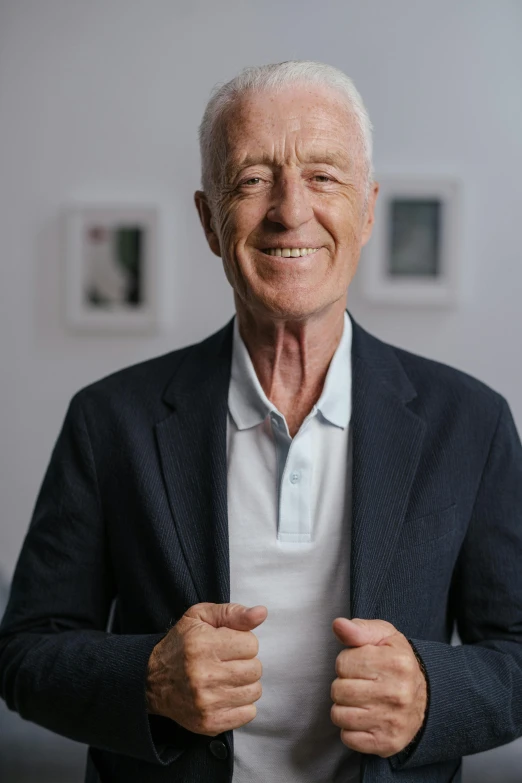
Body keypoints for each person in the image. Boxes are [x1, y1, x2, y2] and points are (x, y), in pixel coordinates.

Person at [1, 61, 521, 783]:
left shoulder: (473, 422)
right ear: (210, 220)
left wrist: (434, 694)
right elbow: (25, 651)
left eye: (323, 176)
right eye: (251, 179)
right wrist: (150, 679)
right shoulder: (107, 419)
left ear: (368, 210)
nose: (289, 209)